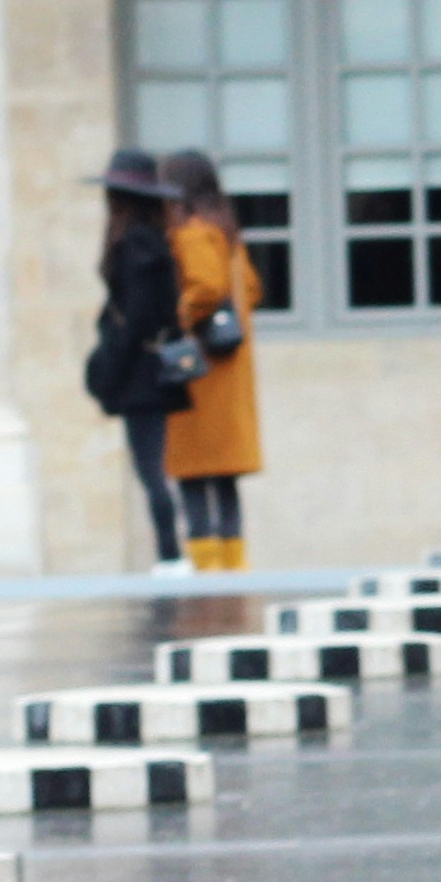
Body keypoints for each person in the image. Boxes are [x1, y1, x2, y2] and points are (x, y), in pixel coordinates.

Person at [80, 150, 194, 574]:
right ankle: (170, 553)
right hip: (149, 368)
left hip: (141, 371)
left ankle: (171, 554)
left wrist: (112, 365)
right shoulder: (151, 241)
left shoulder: (135, 245)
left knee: (150, 467)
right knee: (151, 465)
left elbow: (140, 316)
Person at [155, 149, 266, 572]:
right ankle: (235, 571)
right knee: (224, 481)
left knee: (194, 479)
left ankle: (207, 577)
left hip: (199, 376)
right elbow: (250, 290)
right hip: (227, 372)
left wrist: (176, 316)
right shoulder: (227, 233)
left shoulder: (193, 233)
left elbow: (206, 286)